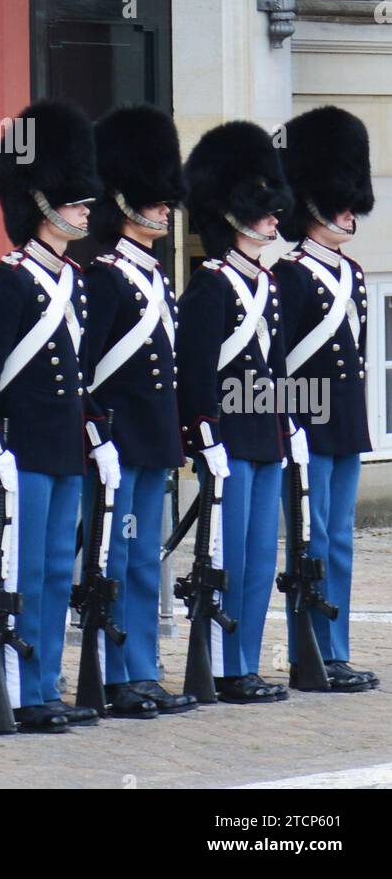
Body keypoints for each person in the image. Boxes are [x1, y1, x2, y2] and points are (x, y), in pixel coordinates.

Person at [0, 100, 120, 734]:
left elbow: (78, 373)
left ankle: (47, 682)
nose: (85, 210)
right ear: (42, 203)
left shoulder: (75, 282)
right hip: (22, 451)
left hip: (64, 449)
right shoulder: (7, 282)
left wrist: (93, 430)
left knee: (58, 570)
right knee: (22, 573)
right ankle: (21, 690)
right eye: (75, 202)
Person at [177, 120, 307, 704]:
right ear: (234, 214)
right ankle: (223, 665)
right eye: (263, 211)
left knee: (259, 560)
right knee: (225, 558)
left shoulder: (268, 287)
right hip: (228, 441)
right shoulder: (210, 287)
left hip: (264, 438)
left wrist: (291, 424)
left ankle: (246, 660)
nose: (274, 219)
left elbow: (275, 368)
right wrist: (205, 437)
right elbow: (199, 371)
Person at [85, 105, 196, 718]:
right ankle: (115, 672)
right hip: (119, 443)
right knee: (119, 558)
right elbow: (86, 371)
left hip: (152, 442)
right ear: (124, 200)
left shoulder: (154, 276)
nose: (163, 210)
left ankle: (144, 670)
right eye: (153, 201)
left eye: (164, 201)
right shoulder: (104, 278)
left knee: (145, 560)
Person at [274, 106, 378, 692]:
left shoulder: (355, 275)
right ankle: (308, 650)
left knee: (338, 539)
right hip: (306, 427)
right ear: (311, 202)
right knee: (309, 541)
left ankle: (334, 646)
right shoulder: (289, 276)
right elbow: (276, 359)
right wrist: (287, 422)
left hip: (343, 426)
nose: (348, 210)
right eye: (338, 200)